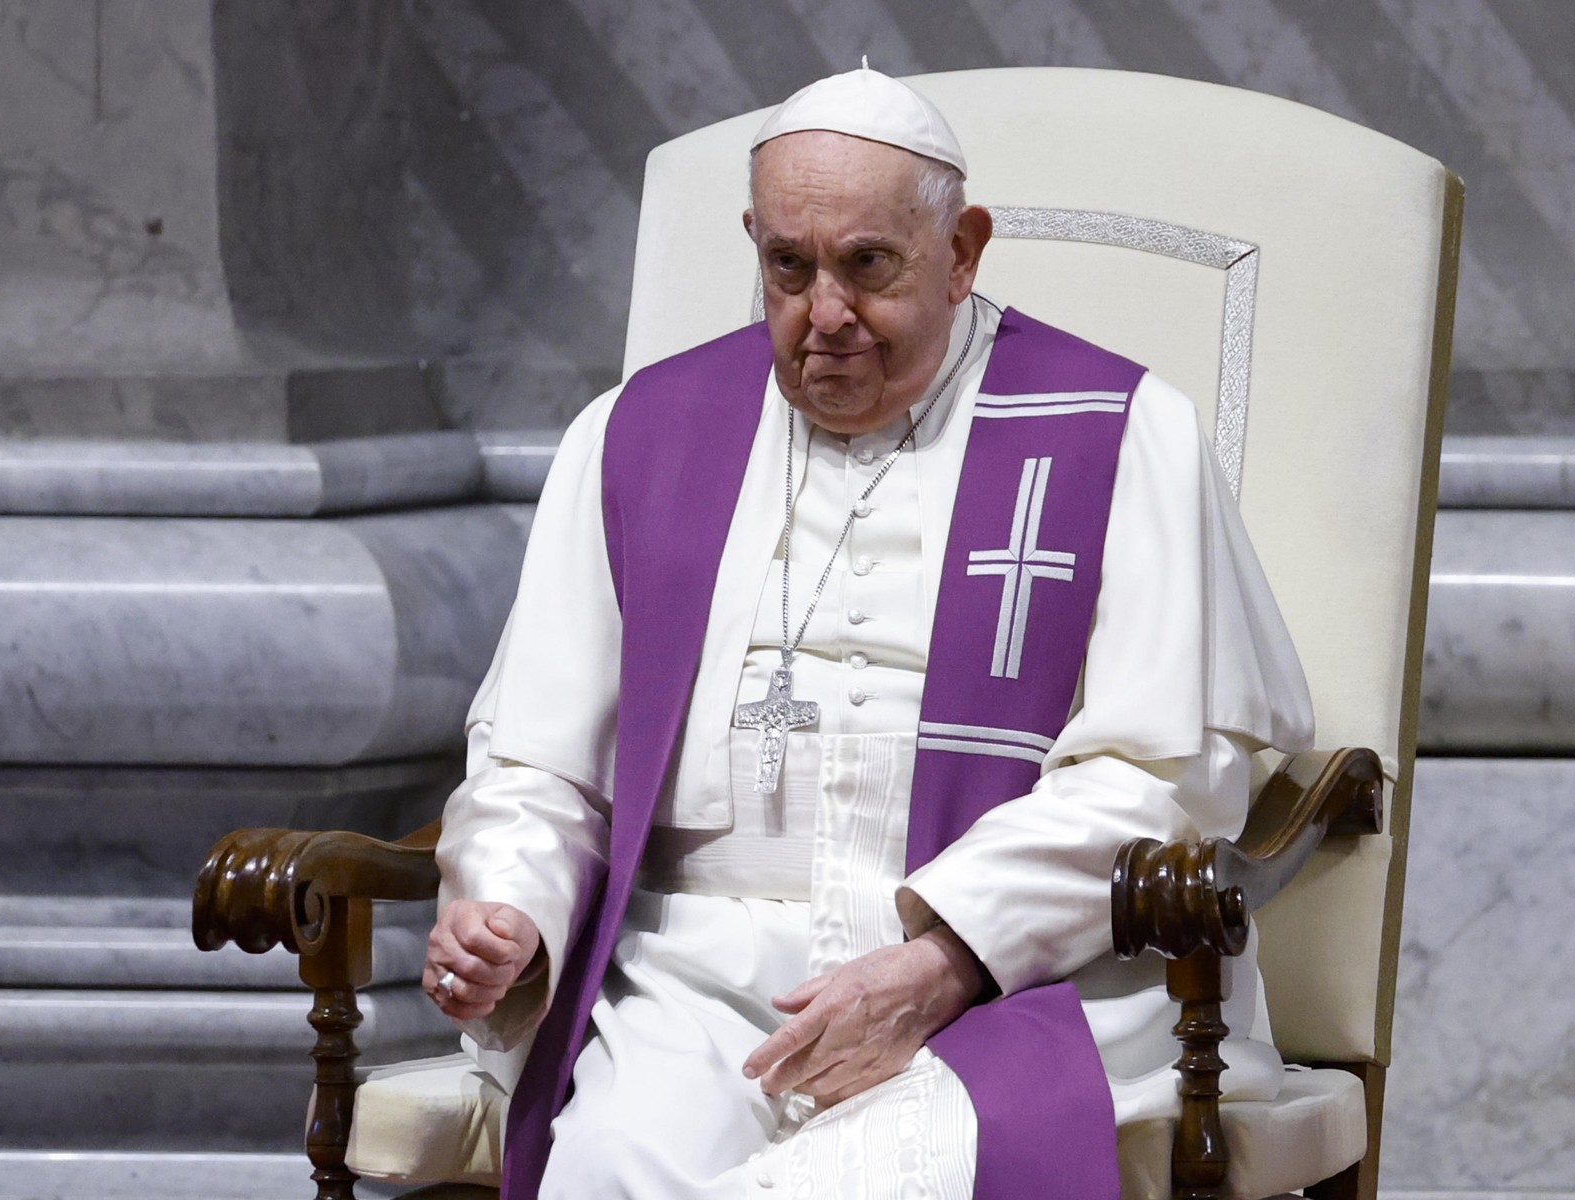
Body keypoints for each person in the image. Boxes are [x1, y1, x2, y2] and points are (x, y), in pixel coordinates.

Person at [422, 64, 1313, 1200]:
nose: (823, 315)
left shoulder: (1118, 432)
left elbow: (1170, 772)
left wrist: (947, 953)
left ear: (964, 250)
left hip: (1027, 975)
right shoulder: (640, 436)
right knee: (612, 1167)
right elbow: (538, 761)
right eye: (787, 267)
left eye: (869, 267)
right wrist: (509, 910)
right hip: (700, 975)